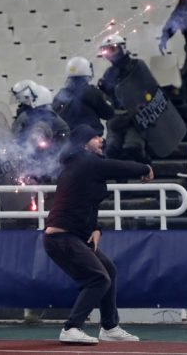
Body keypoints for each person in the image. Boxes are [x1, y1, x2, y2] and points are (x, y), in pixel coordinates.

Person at [43, 124, 153, 345]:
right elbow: (119, 167)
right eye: (95, 137)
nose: (101, 140)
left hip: (74, 236)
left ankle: (110, 327)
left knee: (109, 271)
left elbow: (87, 202)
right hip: (61, 238)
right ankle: (72, 327)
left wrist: (96, 228)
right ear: (84, 144)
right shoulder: (86, 162)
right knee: (98, 278)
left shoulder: (82, 166)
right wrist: (144, 168)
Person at [97, 35, 150, 163]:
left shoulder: (137, 66)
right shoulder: (109, 73)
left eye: (113, 49)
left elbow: (148, 89)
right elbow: (108, 98)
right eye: (107, 50)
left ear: (122, 48)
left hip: (136, 116)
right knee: (111, 150)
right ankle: (120, 181)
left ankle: (147, 169)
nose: (110, 53)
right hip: (118, 117)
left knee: (133, 147)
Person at [10, 79, 70, 182]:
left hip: (46, 166)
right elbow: (15, 135)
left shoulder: (49, 119)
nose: (21, 105)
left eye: (24, 101)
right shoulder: (26, 116)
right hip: (33, 164)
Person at [53, 57, 114, 135]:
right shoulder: (91, 92)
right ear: (87, 71)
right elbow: (108, 114)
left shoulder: (61, 94)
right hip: (90, 139)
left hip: (68, 140)